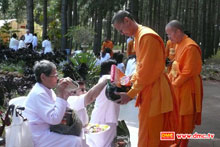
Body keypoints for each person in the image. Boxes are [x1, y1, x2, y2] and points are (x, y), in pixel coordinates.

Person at [112, 10, 178, 147]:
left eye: (121, 30)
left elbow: (147, 72)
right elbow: (141, 67)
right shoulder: (138, 37)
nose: (122, 33)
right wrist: (126, 79)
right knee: (153, 134)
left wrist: (130, 94)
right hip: (151, 91)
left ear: (126, 21)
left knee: (149, 137)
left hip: (155, 93)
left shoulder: (147, 37)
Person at [23, 60, 82, 147]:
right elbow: (54, 119)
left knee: (80, 133)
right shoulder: (39, 93)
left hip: (49, 130)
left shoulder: (47, 89)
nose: (57, 78)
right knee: (75, 141)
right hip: (39, 135)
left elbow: (60, 110)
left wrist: (65, 93)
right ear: (43, 77)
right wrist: (60, 94)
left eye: (57, 75)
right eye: (54, 75)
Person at [165, 20, 203, 147]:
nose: (169, 38)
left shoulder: (190, 47)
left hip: (187, 87)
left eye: (170, 34)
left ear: (178, 31)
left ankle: (181, 144)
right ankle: (174, 142)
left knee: (185, 119)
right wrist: (168, 81)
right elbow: (175, 66)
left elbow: (187, 72)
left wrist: (172, 85)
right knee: (174, 118)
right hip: (177, 87)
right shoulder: (178, 44)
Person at [88, 59, 120, 147]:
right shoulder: (108, 78)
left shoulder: (103, 80)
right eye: (116, 69)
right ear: (111, 70)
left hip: (99, 118)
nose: (118, 71)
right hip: (106, 120)